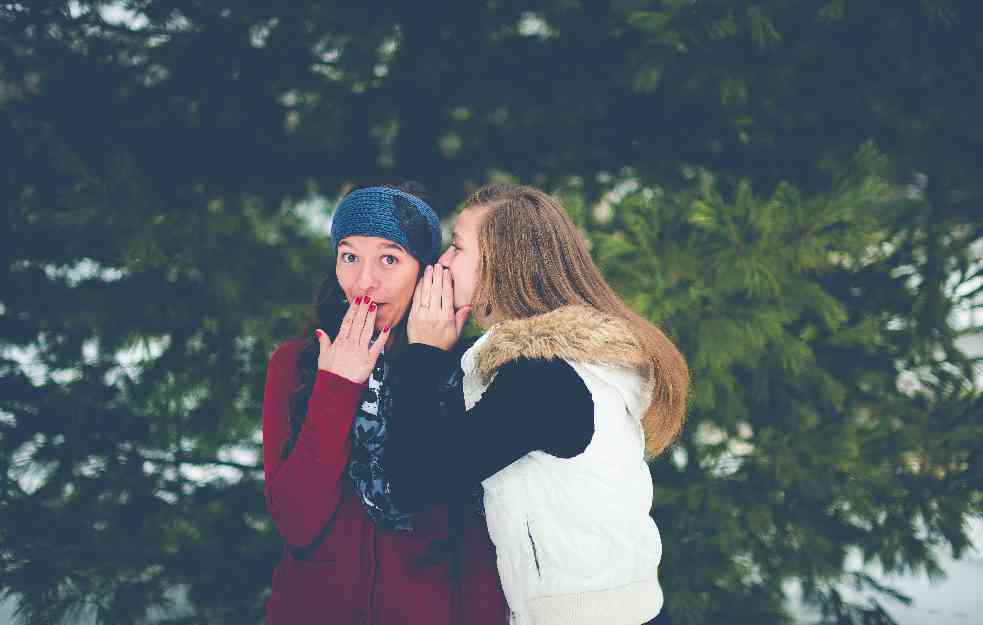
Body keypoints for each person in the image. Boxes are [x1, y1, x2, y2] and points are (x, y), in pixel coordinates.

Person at [384, 183, 689, 625]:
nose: (443, 262)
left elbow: (414, 480)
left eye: (457, 247)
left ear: (500, 263)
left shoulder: (541, 380)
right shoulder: (573, 366)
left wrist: (424, 355)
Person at [261, 182, 508, 625]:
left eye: (389, 259)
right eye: (349, 256)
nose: (363, 282)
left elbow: (474, 538)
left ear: (425, 272)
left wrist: (426, 361)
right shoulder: (295, 365)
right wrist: (336, 387)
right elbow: (296, 522)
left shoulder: (466, 369)